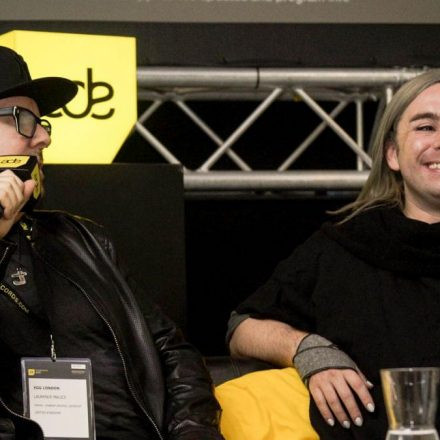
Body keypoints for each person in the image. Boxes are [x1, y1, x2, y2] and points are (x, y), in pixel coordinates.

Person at [0, 46, 224, 440]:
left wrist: (193, 431)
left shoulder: (83, 241)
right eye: (25, 121)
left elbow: (171, 350)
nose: (44, 137)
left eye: (43, 123)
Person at [227, 68, 440, 439]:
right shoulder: (343, 246)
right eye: (426, 127)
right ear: (392, 153)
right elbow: (242, 328)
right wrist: (307, 348)